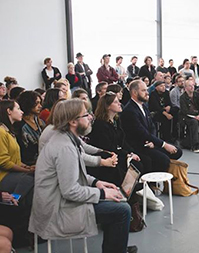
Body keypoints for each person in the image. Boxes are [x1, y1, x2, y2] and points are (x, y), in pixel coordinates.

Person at [29, 99, 137, 253]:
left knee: (117, 204)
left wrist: (97, 183)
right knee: (122, 210)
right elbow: (70, 190)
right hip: (57, 210)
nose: (90, 118)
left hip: (58, 201)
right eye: (86, 115)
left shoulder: (66, 139)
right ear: (73, 121)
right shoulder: (65, 148)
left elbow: (73, 175)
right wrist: (102, 193)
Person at [121, 80, 182, 173]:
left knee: (178, 151)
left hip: (148, 142)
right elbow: (141, 132)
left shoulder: (143, 106)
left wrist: (153, 142)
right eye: (143, 90)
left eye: (146, 90)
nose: (147, 93)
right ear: (134, 92)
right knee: (163, 160)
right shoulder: (130, 110)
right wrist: (164, 145)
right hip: (138, 146)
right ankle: (152, 183)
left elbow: (152, 126)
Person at [89, 92, 145, 185]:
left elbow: (122, 140)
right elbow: (107, 147)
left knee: (141, 161)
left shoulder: (116, 120)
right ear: (107, 106)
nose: (119, 103)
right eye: (115, 102)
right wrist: (127, 155)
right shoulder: (100, 125)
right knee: (136, 165)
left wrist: (130, 152)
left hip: (117, 152)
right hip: (108, 156)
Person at [0, 100, 34, 242]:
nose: (21, 112)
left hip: (12, 174)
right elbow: (4, 162)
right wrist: (26, 171)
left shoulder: (9, 131)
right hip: (3, 176)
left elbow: (15, 159)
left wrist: (28, 167)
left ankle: (26, 231)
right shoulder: (1, 132)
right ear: (9, 111)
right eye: (18, 108)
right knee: (29, 179)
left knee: (33, 184)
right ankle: (13, 200)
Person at [15, 91, 45, 166]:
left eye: (40, 103)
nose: (40, 106)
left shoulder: (39, 121)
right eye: (36, 103)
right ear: (28, 103)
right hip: (29, 163)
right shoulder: (20, 125)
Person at [180, 80, 199, 153]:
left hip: (198, 115)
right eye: (190, 86)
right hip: (187, 117)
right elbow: (184, 110)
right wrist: (195, 115)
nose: (192, 87)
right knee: (194, 123)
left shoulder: (197, 94)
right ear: (185, 88)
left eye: (193, 85)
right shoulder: (182, 97)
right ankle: (194, 145)